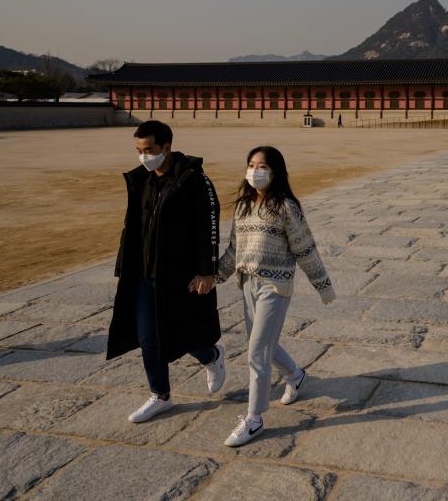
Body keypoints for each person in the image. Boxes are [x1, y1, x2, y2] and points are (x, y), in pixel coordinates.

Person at [215, 146, 336, 447]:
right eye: (251, 165)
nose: (255, 171)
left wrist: (323, 285)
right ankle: (295, 376)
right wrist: (215, 276)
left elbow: (305, 248)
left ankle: (254, 418)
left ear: (275, 171)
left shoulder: (286, 207)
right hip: (247, 283)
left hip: (275, 285)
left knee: (257, 350)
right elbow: (234, 250)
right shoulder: (243, 207)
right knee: (263, 342)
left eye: (262, 166)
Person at [107, 120, 225, 424]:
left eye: (148, 150)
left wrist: (207, 270)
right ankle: (160, 395)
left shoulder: (194, 180)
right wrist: (124, 264)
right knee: (149, 337)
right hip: (145, 273)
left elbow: (209, 225)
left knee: (185, 334)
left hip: (180, 273)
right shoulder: (142, 181)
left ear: (166, 147)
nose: (143, 157)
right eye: (138, 150)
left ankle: (211, 356)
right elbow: (130, 226)